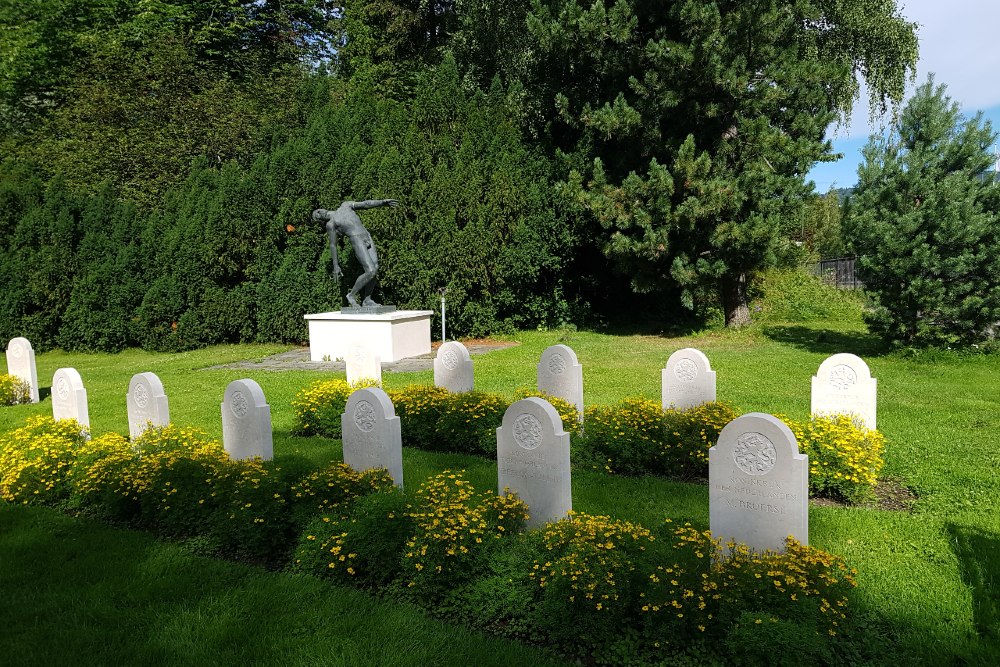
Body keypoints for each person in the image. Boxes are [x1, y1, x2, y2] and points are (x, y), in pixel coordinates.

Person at [312, 200, 398, 308]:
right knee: (370, 270)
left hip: (367, 236)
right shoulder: (331, 224)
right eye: (317, 216)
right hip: (356, 240)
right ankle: (351, 295)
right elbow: (333, 245)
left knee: (375, 268)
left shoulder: (345, 205)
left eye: (318, 211)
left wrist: (382, 203)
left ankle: (367, 300)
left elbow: (365, 204)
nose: (319, 213)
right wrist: (335, 265)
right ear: (321, 220)